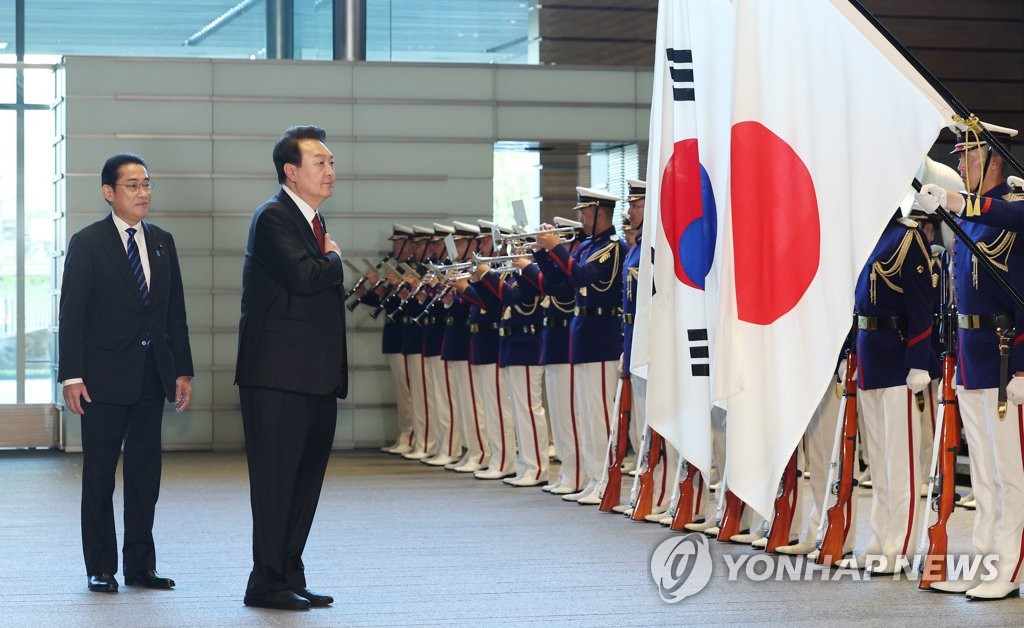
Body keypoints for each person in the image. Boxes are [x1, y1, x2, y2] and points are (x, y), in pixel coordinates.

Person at [58, 152, 194, 594]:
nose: (143, 192)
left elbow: (175, 314)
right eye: (132, 185)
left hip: (151, 378)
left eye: (147, 184)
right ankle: (101, 566)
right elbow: (72, 313)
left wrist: (182, 372)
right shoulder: (88, 242)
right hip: (101, 380)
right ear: (108, 193)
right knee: (99, 476)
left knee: (144, 476)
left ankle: (140, 565)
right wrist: (71, 376)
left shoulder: (162, 241)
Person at [235, 125, 347, 611]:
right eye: (320, 162)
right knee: (277, 480)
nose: (330, 170)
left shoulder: (313, 223)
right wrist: (334, 259)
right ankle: (265, 581)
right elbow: (306, 277)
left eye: (331, 162)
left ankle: (289, 572)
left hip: (314, 375)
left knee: (305, 482)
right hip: (277, 376)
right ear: (291, 170)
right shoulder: (274, 217)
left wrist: (326, 254)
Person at [916, 121, 1024, 599]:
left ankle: (1009, 565)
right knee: (983, 475)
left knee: (1009, 473)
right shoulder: (973, 220)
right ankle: (984, 561)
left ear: (995, 160)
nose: (961, 164)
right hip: (973, 357)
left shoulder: (1013, 207)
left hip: (1007, 359)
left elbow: (1005, 219)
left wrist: (1023, 366)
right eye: (959, 156)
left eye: (969, 156)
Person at [844, 209, 937, 573]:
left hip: (898, 358)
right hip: (870, 357)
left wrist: (917, 360)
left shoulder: (907, 237)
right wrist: (850, 354)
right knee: (879, 462)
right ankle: (880, 537)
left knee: (901, 462)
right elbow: (858, 306)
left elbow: (921, 304)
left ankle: (900, 545)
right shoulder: (867, 233)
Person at [536, 187, 626, 505]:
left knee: (599, 413)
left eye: (585, 213)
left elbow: (589, 278)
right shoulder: (587, 246)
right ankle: (591, 477)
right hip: (582, 332)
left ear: (602, 213)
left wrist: (558, 249)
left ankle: (605, 480)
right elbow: (561, 283)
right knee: (585, 414)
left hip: (601, 334)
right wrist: (543, 255)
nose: (581, 218)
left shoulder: (613, 247)